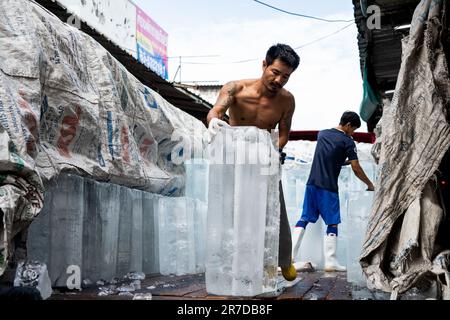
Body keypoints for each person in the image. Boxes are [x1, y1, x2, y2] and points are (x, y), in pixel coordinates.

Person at [207, 43, 300, 281]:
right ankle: (236, 262)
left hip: (265, 153)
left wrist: (273, 150)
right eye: (275, 72)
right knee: (234, 209)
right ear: (264, 65)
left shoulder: (287, 101)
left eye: (286, 77)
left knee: (275, 209)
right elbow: (216, 111)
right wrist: (213, 122)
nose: (279, 80)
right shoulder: (236, 89)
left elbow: (284, 134)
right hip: (236, 154)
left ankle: (283, 260)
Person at [292, 111, 375, 272]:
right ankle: (331, 262)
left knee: (304, 218)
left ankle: (290, 257)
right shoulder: (348, 141)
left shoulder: (322, 134)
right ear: (349, 125)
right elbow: (356, 167)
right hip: (328, 187)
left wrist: (340, 162)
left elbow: (328, 156)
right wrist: (370, 184)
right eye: (354, 129)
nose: (353, 133)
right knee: (332, 222)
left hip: (312, 184)